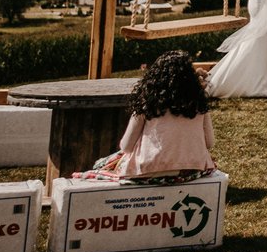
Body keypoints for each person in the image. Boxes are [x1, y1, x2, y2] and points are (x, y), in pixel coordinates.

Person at [86, 50, 215, 179]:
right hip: (190, 169)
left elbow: (126, 146)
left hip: (149, 170)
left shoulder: (147, 104)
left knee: (106, 163)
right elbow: (209, 142)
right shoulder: (199, 104)